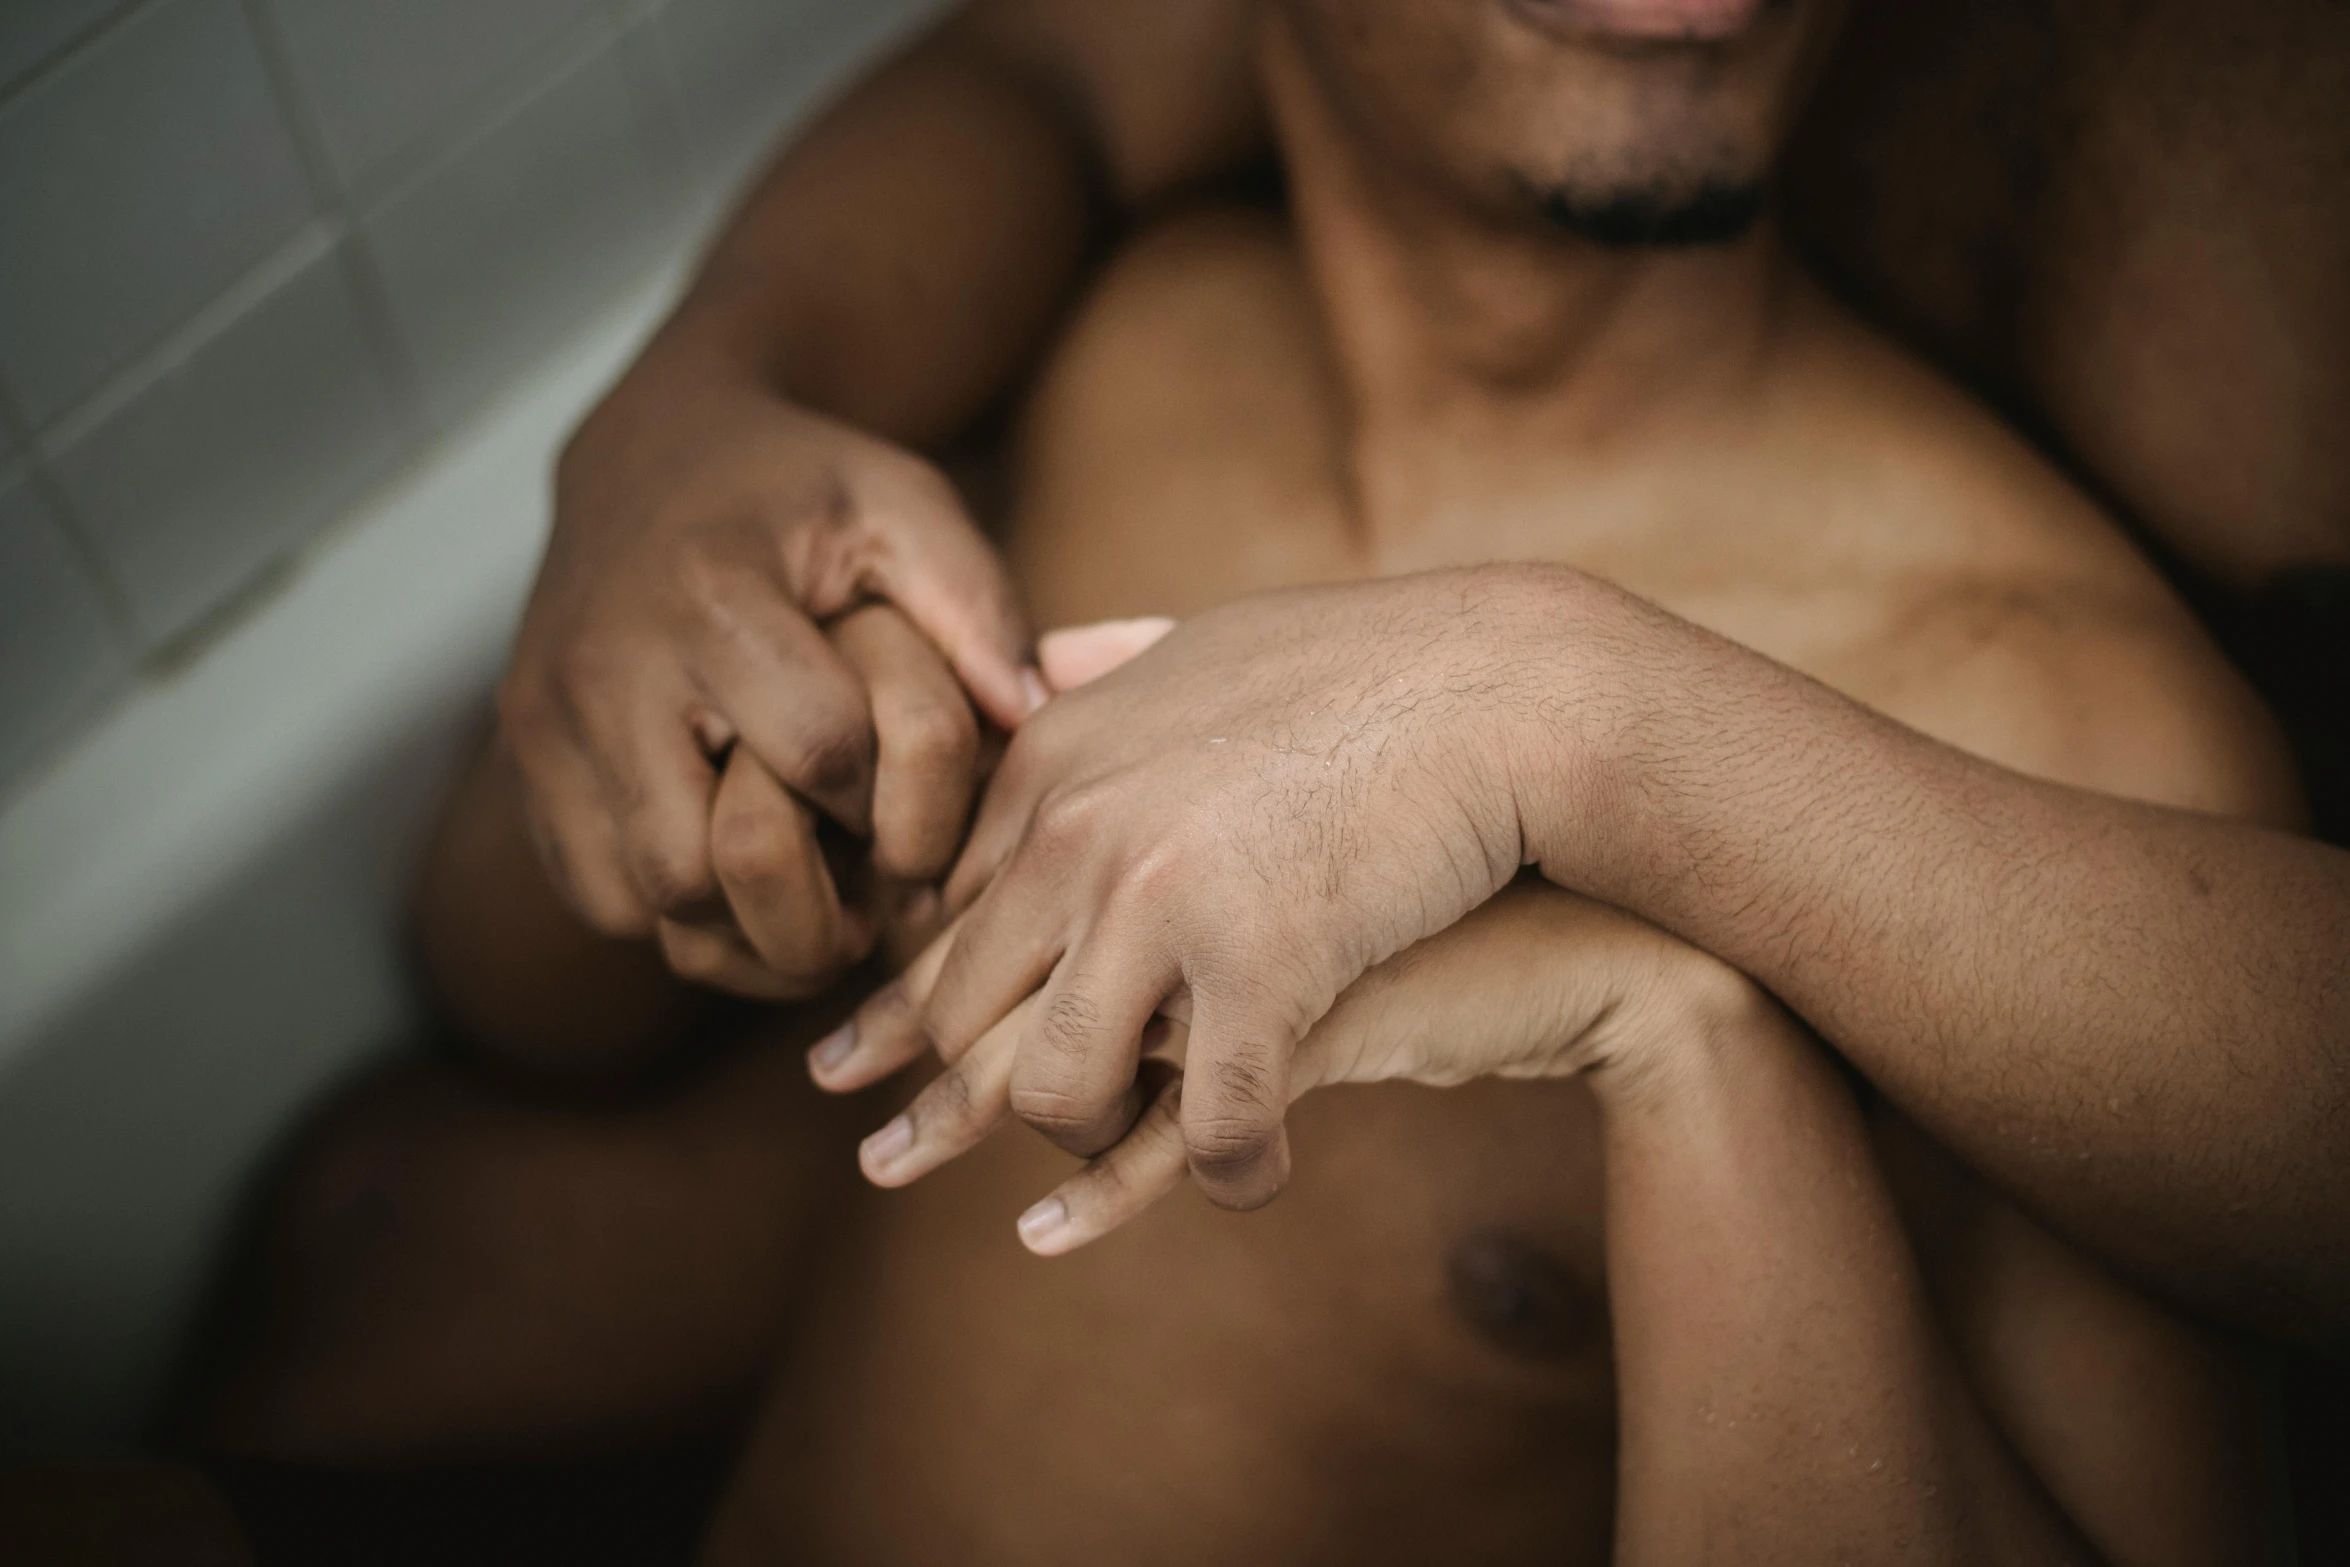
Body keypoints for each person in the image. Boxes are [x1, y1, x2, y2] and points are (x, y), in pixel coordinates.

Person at [206, 0, 2298, 1560]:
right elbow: (518, 995)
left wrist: (1682, 1033)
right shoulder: (1124, 344)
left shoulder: (2053, 728)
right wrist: (656, 523)